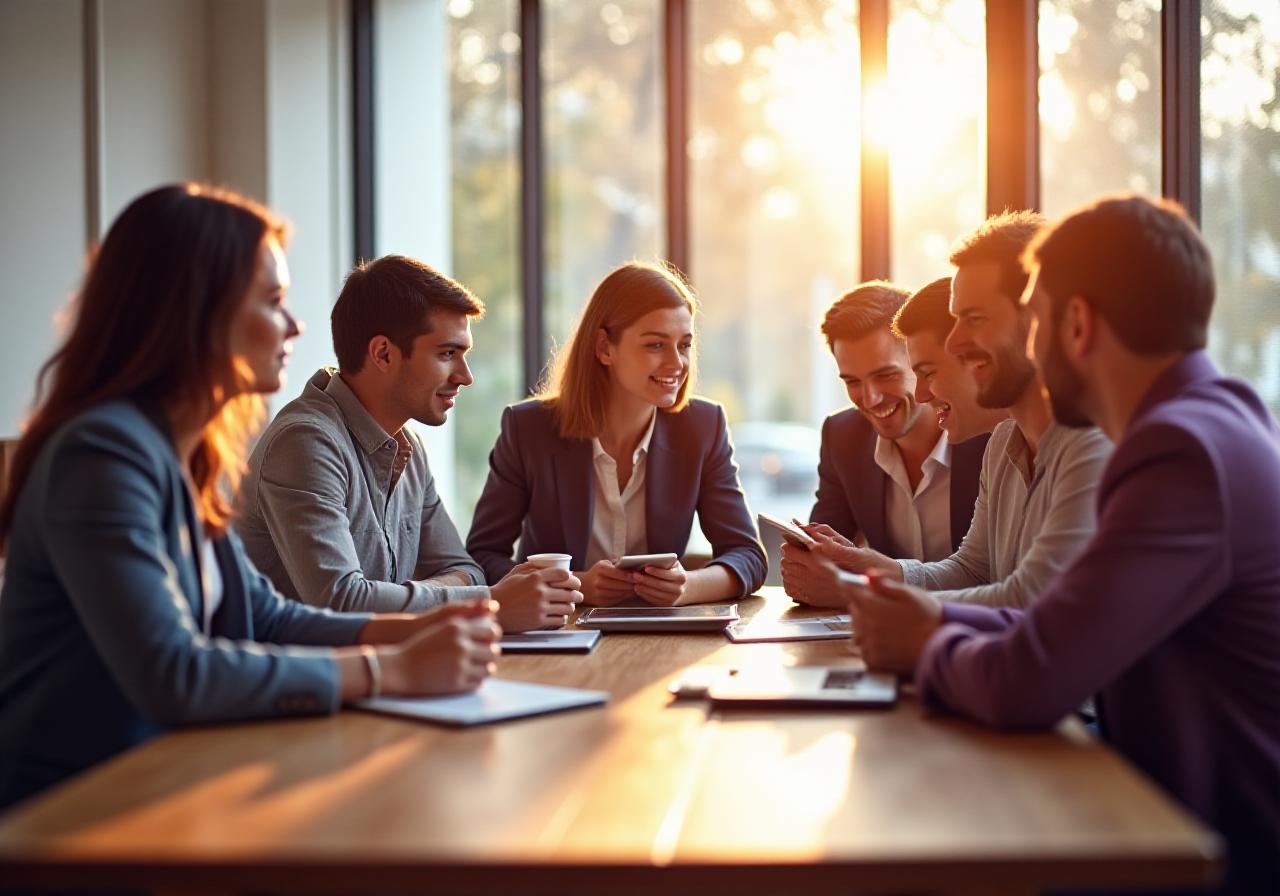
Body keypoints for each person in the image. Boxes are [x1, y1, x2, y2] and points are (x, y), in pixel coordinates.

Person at [0, 185, 503, 810]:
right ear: (196, 313)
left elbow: (266, 617)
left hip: (168, 778)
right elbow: (174, 673)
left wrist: (425, 627)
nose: (294, 325)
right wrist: (391, 668)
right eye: (273, 302)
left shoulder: (184, 454)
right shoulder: (102, 455)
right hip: (70, 809)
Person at [837, 195, 1280, 895]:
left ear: (1076, 325)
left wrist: (926, 643)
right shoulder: (1210, 421)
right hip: (1161, 822)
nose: (954, 348)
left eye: (1033, 318)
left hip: (1208, 856)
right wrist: (935, 618)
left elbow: (1030, 678)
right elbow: (1064, 624)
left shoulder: (1179, 453)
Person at [786, 212, 1111, 609]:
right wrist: (873, 568)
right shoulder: (1005, 442)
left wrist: (860, 592)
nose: (955, 341)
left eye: (972, 319)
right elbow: (974, 570)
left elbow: (1033, 601)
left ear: (1038, 316)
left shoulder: (1092, 442)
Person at [237, 255, 579, 632]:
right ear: (383, 353)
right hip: (311, 685)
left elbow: (467, 570)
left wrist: (402, 596)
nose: (465, 377)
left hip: (391, 673)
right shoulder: (305, 443)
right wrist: (491, 603)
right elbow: (343, 603)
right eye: (447, 354)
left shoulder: (408, 446)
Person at [466, 261, 765, 606]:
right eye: (655, 345)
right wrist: (578, 585)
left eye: (684, 345)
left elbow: (748, 556)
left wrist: (687, 587)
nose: (677, 363)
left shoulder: (702, 426)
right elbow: (482, 558)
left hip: (659, 637)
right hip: (559, 630)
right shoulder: (528, 428)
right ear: (604, 348)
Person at [781, 281, 988, 607]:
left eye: (885, 375)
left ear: (918, 364)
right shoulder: (842, 436)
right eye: (852, 381)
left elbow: (990, 577)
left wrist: (852, 590)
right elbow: (824, 562)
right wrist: (810, 561)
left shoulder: (986, 431)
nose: (870, 398)